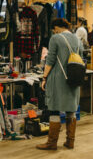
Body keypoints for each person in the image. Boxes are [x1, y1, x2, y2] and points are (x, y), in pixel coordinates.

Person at [37, 18, 83, 150]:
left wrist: (44, 77)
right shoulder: (77, 40)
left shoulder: (56, 39)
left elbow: (50, 60)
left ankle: (52, 142)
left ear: (56, 27)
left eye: (54, 29)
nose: (54, 31)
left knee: (54, 109)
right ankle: (70, 141)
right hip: (73, 78)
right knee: (71, 110)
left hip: (58, 79)